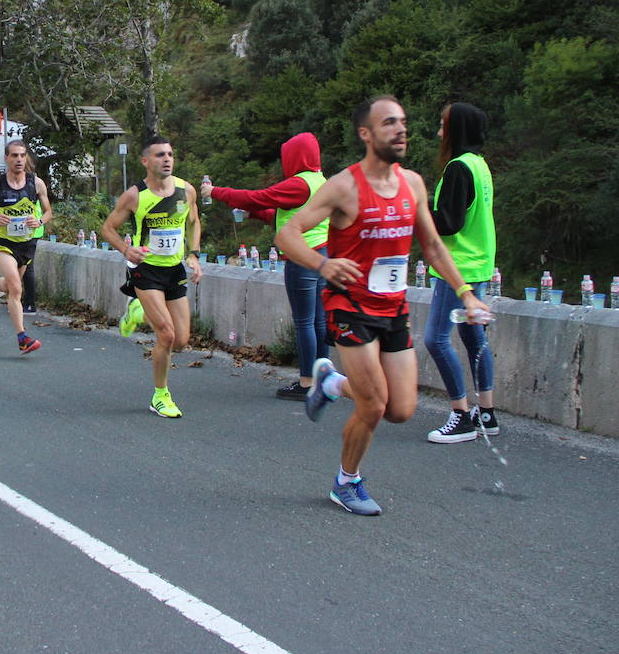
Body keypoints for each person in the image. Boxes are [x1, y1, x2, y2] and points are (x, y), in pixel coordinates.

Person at [276, 96, 489, 516]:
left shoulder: (412, 183)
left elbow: (430, 245)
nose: (401, 130)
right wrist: (323, 263)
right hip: (349, 304)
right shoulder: (344, 187)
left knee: (400, 410)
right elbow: (289, 235)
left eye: (404, 122)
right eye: (389, 123)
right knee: (373, 405)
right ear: (366, 134)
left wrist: (465, 291)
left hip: (393, 308)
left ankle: (331, 383)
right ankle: (347, 482)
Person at [201, 132, 330, 401]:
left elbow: (258, 197)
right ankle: (323, 378)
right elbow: (285, 215)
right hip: (322, 255)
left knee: (304, 322)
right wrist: (256, 213)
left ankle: (307, 383)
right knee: (318, 321)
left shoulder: (299, 184)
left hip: (300, 257)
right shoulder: (320, 181)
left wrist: (215, 192)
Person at [100, 136, 202, 418]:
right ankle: (160, 395)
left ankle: (137, 311)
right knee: (166, 335)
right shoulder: (135, 195)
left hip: (174, 270)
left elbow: (193, 221)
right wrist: (125, 249)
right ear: (146, 161)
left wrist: (193, 253)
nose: (167, 159)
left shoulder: (186, 190)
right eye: (159, 155)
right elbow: (107, 228)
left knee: (181, 340)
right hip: (146, 270)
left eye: (170, 154)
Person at [424, 103, 499, 443]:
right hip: (480, 264)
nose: (440, 132)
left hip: (456, 269)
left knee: (435, 339)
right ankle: (486, 413)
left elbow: (449, 225)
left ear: (456, 130)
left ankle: (460, 414)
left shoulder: (457, 168)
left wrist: (418, 207)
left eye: (443, 125)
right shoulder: (480, 165)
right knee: (473, 339)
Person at [0, 139, 54, 354]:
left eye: (22, 155)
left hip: (26, 244)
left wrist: (40, 221)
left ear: (26, 158)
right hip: (4, 244)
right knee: (16, 288)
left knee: (9, 286)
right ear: (6, 158)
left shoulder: (36, 183)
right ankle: (22, 338)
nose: (18, 159)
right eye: (14, 155)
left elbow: (48, 212)